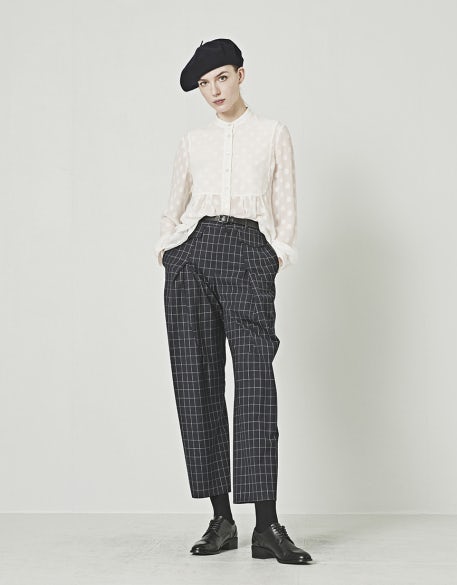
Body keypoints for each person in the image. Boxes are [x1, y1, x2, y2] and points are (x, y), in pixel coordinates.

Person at [154, 38, 313, 565]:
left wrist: (275, 255)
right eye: (204, 84)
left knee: (256, 383)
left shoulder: (273, 133)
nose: (214, 91)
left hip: (248, 252)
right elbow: (173, 205)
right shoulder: (192, 142)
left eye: (221, 77)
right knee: (197, 383)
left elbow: (285, 204)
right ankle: (221, 519)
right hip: (193, 254)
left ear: (241, 74)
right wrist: (168, 252)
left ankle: (266, 526)